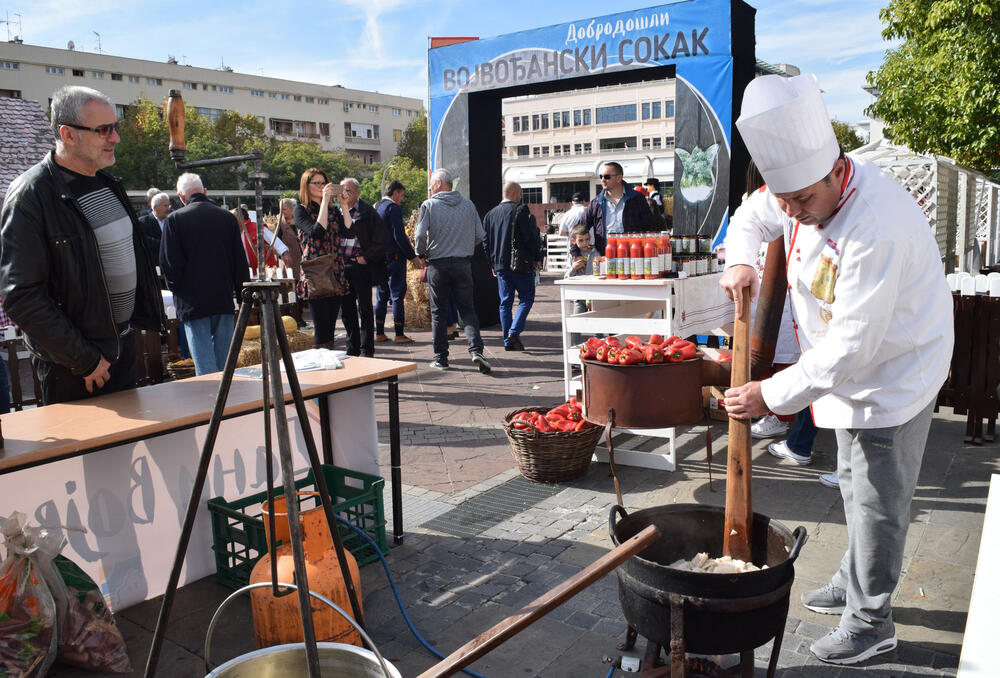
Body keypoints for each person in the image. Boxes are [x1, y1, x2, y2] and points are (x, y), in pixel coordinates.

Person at [720, 73, 953, 665]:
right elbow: (750, 218)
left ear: (837, 171)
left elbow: (853, 345)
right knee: (850, 479)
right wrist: (742, 261)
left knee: (879, 496)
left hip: (895, 371)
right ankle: (854, 580)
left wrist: (771, 394)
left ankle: (872, 620)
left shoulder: (874, 223)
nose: (793, 213)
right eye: (786, 201)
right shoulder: (795, 194)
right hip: (845, 370)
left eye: (802, 201)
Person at [0, 85, 163, 404]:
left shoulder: (108, 183)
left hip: (121, 350)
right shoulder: (31, 196)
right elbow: (22, 296)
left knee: (129, 447)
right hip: (75, 369)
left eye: (114, 128)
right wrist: (85, 359)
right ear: (68, 134)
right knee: (89, 453)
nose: (115, 138)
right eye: (103, 130)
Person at [159, 173, 249, 376]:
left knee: (204, 362)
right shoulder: (227, 218)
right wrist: (241, 292)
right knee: (225, 359)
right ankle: (229, 400)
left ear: (181, 196)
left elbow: (169, 263)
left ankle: (212, 402)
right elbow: (239, 259)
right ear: (205, 192)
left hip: (193, 300)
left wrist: (177, 289)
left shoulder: (175, 220)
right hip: (222, 296)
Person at [414, 168, 491, 374]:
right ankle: (476, 350)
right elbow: (479, 235)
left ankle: (441, 358)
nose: (429, 189)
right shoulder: (468, 204)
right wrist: (463, 246)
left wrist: (421, 253)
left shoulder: (429, 205)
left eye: (431, 185)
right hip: (463, 264)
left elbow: (420, 235)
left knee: (438, 312)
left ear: (439, 184)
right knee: (467, 311)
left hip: (438, 265)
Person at [333, 178, 389, 357]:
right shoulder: (336, 211)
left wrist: (367, 257)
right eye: (342, 190)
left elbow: (382, 240)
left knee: (364, 309)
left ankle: (366, 350)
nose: (345, 193)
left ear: (358, 192)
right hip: (342, 266)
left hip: (360, 265)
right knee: (347, 309)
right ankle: (352, 348)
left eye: (348, 190)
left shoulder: (367, 212)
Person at [293, 168, 348, 350]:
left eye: (323, 183)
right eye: (316, 183)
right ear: (306, 187)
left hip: (336, 270)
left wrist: (344, 205)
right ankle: (320, 365)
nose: (321, 186)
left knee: (330, 328)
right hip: (316, 272)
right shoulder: (300, 210)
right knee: (321, 328)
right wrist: (325, 201)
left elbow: (349, 231)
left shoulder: (332, 210)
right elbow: (317, 232)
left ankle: (329, 363)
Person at [483, 182, 541, 351]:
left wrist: (492, 263)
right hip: (521, 264)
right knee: (527, 298)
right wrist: (536, 257)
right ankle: (514, 333)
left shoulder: (490, 215)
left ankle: (508, 341)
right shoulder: (520, 210)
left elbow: (486, 243)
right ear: (515, 193)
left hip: (500, 265)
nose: (521, 197)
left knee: (505, 302)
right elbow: (530, 238)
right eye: (521, 193)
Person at [375, 180, 422, 344]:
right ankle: (399, 333)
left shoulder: (377, 206)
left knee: (381, 295)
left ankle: (379, 332)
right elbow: (399, 236)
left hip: (380, 258)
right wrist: (413, 257)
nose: (401, 199)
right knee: (397, 295)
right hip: (394, 257)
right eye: (401, 195)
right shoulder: (392, 208)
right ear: (395, 193)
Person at [581, 161, 656, 255]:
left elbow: (649, 228)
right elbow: (580, 228)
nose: (603, 180)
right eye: (601, 176)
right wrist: (575, 252)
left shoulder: (637, 199)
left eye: (607, 177)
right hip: (605, 257)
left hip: (632, 256)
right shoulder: (596, 203)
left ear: (619, 178)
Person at [563, 223, 599, 346]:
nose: (584, 243)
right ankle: (573, 350)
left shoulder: (595, 253)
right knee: (575, 325)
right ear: (574, 240)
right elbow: (566, 277)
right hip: (579, 296)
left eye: (587, 239)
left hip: (595, 295)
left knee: (598, 325)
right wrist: (573, 268)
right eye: (581, 240)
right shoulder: (573, 256)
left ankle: (598, 347)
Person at [276, 198, 303, 281]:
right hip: (288, 259)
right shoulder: (280, 223)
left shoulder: (300, 220)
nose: (282, 212)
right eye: (281, 210)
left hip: (302, 257)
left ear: (291, 209)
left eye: (284, 209)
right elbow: (277, 241)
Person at [139, 191, 170, 256]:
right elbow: (145, 241)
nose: (168, 208)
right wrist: (165, 243)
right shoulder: (143, 222)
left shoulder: (172, 220)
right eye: (165, 206)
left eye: (168, 205)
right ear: (155, 207)